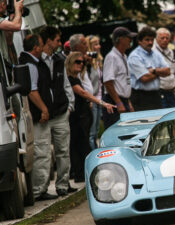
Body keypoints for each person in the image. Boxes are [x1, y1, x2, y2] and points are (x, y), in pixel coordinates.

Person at [18, 34, 58, 200]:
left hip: (34, 117)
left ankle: (38, 188)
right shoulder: (31, 65)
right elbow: (32, 91)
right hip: (38, 117)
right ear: (35, 48)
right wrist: (44, 109)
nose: (42, 49)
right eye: (41, 45)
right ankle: (39, 190)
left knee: (41, 151)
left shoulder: (28, 62)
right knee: (42, 152)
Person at [38, 26, 77, 196]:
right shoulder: (36, 60)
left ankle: (63, 185)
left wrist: (70, 105)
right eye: (57, 40)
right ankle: (41, 189)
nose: (60, 44)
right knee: (44, 153)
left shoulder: (59, 60)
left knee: (63, 151)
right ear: (48, 41)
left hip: (61, 112)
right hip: (43, 116)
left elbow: (65, 84)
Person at [66, 52, 115, 182]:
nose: (81, 64)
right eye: (77, 62)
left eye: (82, 62)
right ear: (70, 63)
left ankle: (84, 174)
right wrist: (103, 103)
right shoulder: (71, 79)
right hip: (76, 117)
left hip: (83, 116)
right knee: (79, 145)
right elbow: (83, 93)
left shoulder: (77, 78)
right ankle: (81, 174)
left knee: (83, 143)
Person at [127, 27, 170, 111]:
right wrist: (159, 72)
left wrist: (154, 71)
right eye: (147, 40)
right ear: (139, 41)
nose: (150, 42)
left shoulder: (156, 54)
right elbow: (144, 78)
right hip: (141, 97)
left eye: (152, 40)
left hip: (156, 95)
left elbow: (168, 71)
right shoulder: (135, 56)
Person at [103, 27, 136, 129]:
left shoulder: (124, 56)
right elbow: (108, 82)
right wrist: (118, 102)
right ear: (120, 39)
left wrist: (128, 102)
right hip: (114, 101)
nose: (131, 40)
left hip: (123, 100)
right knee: (116, 132)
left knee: (127, 131)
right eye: (128, 38)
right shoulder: (111, 57)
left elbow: (123, 82)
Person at [86, 35, 103, 148]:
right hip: (92, 99)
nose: (98, 46)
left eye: (98, 44)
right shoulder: (87, 63)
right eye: (95, 44)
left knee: (96, 131)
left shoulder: (99, 61)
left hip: (100, 99)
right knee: (91, 133)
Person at [153, 27, 175, 108]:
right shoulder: (152, 52)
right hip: (160, 91)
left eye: (167, 38)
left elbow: (172, 72)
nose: (165, 40)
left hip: (172, 90)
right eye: (162, 38)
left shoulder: (171, 51)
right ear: (156, 39)